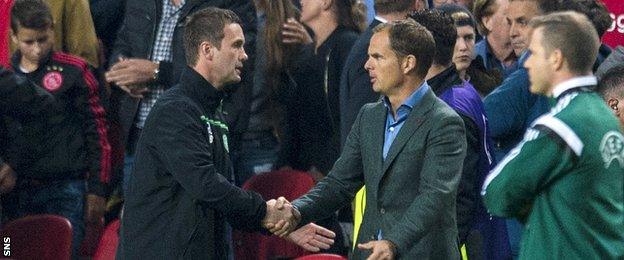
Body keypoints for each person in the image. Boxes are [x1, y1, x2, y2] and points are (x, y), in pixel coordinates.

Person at [118, 8, 336, 259]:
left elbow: (222, 198)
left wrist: (278, 227)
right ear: (207, 50)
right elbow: (206, 185)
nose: (244, 55)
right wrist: (265, 213)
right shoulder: (176, 110)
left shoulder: (214, 113)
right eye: (236, 45)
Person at [281, 19, 467, 259]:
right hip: (369, 253)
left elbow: (434, 196)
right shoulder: (369, 115)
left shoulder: (445, 122)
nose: (367, 65)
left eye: (378, 57)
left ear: (408, 63)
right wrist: (296, 211)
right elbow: (339, 183)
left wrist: (393, 243)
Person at [482, 11, 624, 259]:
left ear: (556, 59)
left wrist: (535, 201)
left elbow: (496, 192)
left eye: (534, 54)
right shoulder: (604, 115)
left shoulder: (563, 126)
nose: (526, 63)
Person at [105, 0, 256, 195]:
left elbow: (234, 66)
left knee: (202, 216)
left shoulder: (232, 3)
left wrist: (158, 72)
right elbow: (123, 42)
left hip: (200, 137)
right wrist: (123, 73)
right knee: (143, 218)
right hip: (140, 139)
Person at [5, 0, 111, 256]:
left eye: (43, 39)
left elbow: (97, 131)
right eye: (29, 42)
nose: (38, 49)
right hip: (16, 194)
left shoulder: (75, 71)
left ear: (53, 29)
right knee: (8, 253)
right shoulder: (6, 80)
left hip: (65, 189)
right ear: (14, 36)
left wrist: (98, 189)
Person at [339, 0, 426, 148]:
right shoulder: (375, 48)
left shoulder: (370, 42)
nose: (370, 64)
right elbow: (364, 129)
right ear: (418, 5)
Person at [473, 0, 518, 77]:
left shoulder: (534, 56)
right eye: (509, 18)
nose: (517, 24)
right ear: (487, 22)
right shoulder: (471, 60)